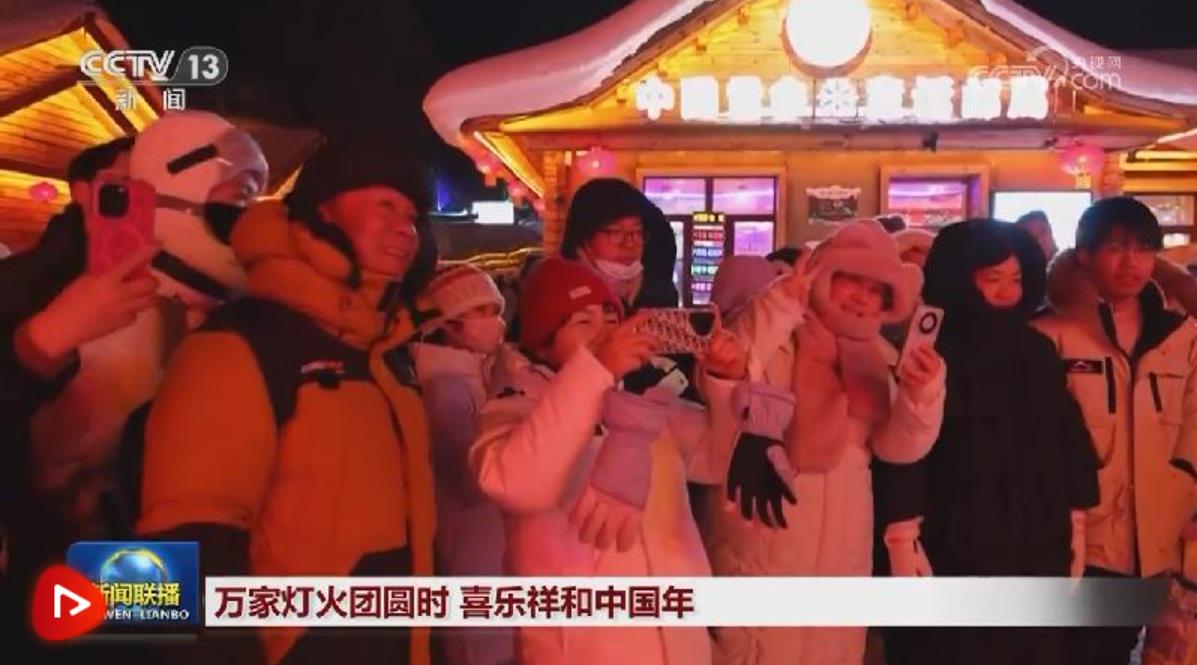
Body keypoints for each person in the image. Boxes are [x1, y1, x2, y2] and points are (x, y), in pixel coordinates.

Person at [137, 143, 438, 665]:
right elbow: (188, 529)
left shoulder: (385, 353)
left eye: (412, 216)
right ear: (324, 211)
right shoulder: (243, 343)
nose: (404, 228)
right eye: (385, 205)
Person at [471, 256, 755, 665]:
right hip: (582, 647)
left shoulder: (646, 409)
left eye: (610, 319)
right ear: (542, 341)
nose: (605, 332)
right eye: (583, 321)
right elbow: (518, 485)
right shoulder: (511, 408)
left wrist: (726, 381)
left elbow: (720, 459)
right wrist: (595, 370)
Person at [706, 219, 946, 665]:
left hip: (844, 543)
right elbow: (730, 366)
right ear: (823, 275)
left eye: (876, 290)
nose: (862, 297)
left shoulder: (879, 358)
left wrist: (922, 394)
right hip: (764, 532)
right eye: (851, 280)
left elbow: (898, 447)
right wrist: (781, 301)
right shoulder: (779, 332)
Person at [874, 219, 1099, 665]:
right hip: (951, 536)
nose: (1007, 292)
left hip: (1035, 537)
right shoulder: (929, 349)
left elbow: (1064, 433)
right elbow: (903, 440)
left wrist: (1076, 517)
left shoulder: (1036, 349)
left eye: (1016, 279)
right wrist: (901, 530)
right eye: (992, 279)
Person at [1034, 196, 1197, 665]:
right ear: (1084, 255)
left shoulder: (1179, 335)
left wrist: (1185, 488)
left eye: (1144, 249)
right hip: (1082, 543)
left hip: (1160, 541)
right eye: (1116, 248)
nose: (1132, 262)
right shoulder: (1051, 333)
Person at [412, 263, 514, 665]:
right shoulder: (447, 389)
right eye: (480, 312)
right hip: (471, 544)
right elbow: (466, 480)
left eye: (495, 310)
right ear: (448, 323)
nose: (494, 321)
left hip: (488, 544)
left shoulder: (477, 376)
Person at [561, 177, 678, 310]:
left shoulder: (660, 298)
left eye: (637, 232)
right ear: (585, 240)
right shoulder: (559, 296)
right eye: (616, 232)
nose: (629, 243)